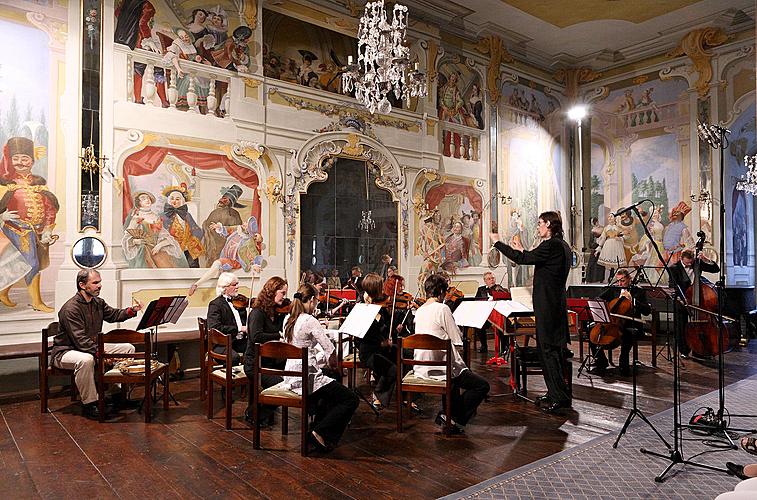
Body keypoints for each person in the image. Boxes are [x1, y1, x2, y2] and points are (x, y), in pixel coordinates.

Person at [490, 211, 572, 413]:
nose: (538, 227)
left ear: (549, 225)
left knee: (548, 352)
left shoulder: (551, 245)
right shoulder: (562, 246)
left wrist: (498, 243)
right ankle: (556, 393)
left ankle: (559, 398)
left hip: (548, 306)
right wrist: (524, 252)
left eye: (540, 223)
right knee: (551, 352)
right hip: (554, 304)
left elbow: (522, 258)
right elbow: (528, 257)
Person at [51, 269, 143, 419]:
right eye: (95, 283)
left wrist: (131, 310)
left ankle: (117, 396)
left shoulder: (97, 302)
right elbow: (80, 340)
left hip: (89, 347)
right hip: (66, 351)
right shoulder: (70, 309)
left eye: (100, 282)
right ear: (82, 285)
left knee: (128, 348)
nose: (100, 286)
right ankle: (90, 404)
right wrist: (101, 354)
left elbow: (113, 315)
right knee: (86, 360)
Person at [282, 283, 359, 451]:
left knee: (332, 382)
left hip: (290, 375)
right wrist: (335, 366)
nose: (317, 304)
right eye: (316, 300)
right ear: (310, 300)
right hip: (306, 377)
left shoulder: (288, 318)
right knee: (351, 399)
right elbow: (329, 349)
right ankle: (319, 431)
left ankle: (319, 428)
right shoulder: (310, 320)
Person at [414, 274, 490, 434]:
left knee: (455, 377)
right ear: (441, 291)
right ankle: (453, 416)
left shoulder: (419, 311)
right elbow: (457, 341)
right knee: (482, 385)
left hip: (422, 367)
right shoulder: (442, 308)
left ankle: (448, 415)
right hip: (442, 369)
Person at [0, 137, 60, 312]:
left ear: (32, 161)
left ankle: (2, 292)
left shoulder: (39, 184)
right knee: (31, 263)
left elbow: (50, 208)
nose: (20, 162)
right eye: (16, 158)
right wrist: (2, 216)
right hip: (14, 229)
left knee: (20, 264)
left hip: (36, 231)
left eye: (25, 158)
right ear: (10, 160)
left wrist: (48, 229)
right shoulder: (6, 184)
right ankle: (36, 302)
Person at [243, 276, 289, 427]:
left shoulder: (276, 312)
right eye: (282, 293)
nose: (285, 297)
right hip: (256, 364)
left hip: (272, 362)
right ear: (272, 292)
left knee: (295, 380)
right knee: (283, 384)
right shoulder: (257, 313)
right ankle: (253, 412)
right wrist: (278, 336)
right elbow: (256, 336)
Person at [588, 268, 651, 376]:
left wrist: (633, 301)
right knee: (591, 330)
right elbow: (597, 298)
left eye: (622, 281)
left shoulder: (638, 291)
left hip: (631, 324)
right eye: (618, 281)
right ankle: (601, 361)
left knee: (627, 334)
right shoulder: (613, 290)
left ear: (629, 279)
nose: (620, 283)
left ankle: (623, 363)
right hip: (613, 322)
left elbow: (646, 311)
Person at [667, 248, 719, 357]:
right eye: (687, 262)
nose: (690, 264)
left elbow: (715, 269)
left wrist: (705, 259)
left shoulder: (697, 263)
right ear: (681, 259)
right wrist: (681, 299)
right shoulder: (674, 268)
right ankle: (683, 350)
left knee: (699, 323)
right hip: (681, 300)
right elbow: (672, 285)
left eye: (691, 262)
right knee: (681, 326)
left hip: (697, 298)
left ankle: (698, 349)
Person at [358, 273, 396, 410]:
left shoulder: (381, 308)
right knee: (392, 369)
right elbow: (361, 337)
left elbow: (385, 329)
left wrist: (394, 330)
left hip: (381, 348)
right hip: (369, 352)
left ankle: (406, 395)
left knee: (402, 354)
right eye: (381, 287)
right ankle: (378, 395)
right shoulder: (362, 310)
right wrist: (381, 343)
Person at [123, 191, 188, 268]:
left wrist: (160, 245)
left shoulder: (156, 216)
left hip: (157, 248)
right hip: (144, 250)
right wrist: (135, 241)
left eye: (148, 198)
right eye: (143, 199)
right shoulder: (137, 217)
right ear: (138, 203)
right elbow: (127, 237)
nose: (147, 200)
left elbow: (165, 235)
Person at [206, 272, 247, 365]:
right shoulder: (215, 305)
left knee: (257, 350)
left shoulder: (239, 302)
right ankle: (232, 379)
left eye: (237, 284)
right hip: (221, 344)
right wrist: (239, 329)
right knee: (234, 358)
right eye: (234, 285)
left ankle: (251, 377)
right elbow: (215, 328)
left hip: (238, 342)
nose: (237, 287)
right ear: (225, 288)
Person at [200, 185, 244, 267]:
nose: (222, 201)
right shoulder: (217, 212)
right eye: (223, 198)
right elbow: (208, 227)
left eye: (226, 199)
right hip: (218, 245)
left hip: (226, 245)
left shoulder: (234, 214)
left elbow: (238, 230)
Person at [161, 184, 204, 268]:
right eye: (172, 199)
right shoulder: (163, 216)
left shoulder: (187, 215)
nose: (174, 201)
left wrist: (194, 240)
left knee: (192, 266)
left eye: (177, 199)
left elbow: (196, 229)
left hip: (188, 247)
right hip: (172, 248)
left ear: (182, 201)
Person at [474, 271, 508, 353]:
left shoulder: (500, 288)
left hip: (498, 314)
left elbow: (507, 298)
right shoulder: (481, 290)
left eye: (493, 278)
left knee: (502, 326)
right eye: (489, 279)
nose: (491, 280)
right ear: (485, 281)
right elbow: (476, 301)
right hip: (486, 315)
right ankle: (484, 346)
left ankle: (504, 348)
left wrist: (501, 291)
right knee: (479, 326)